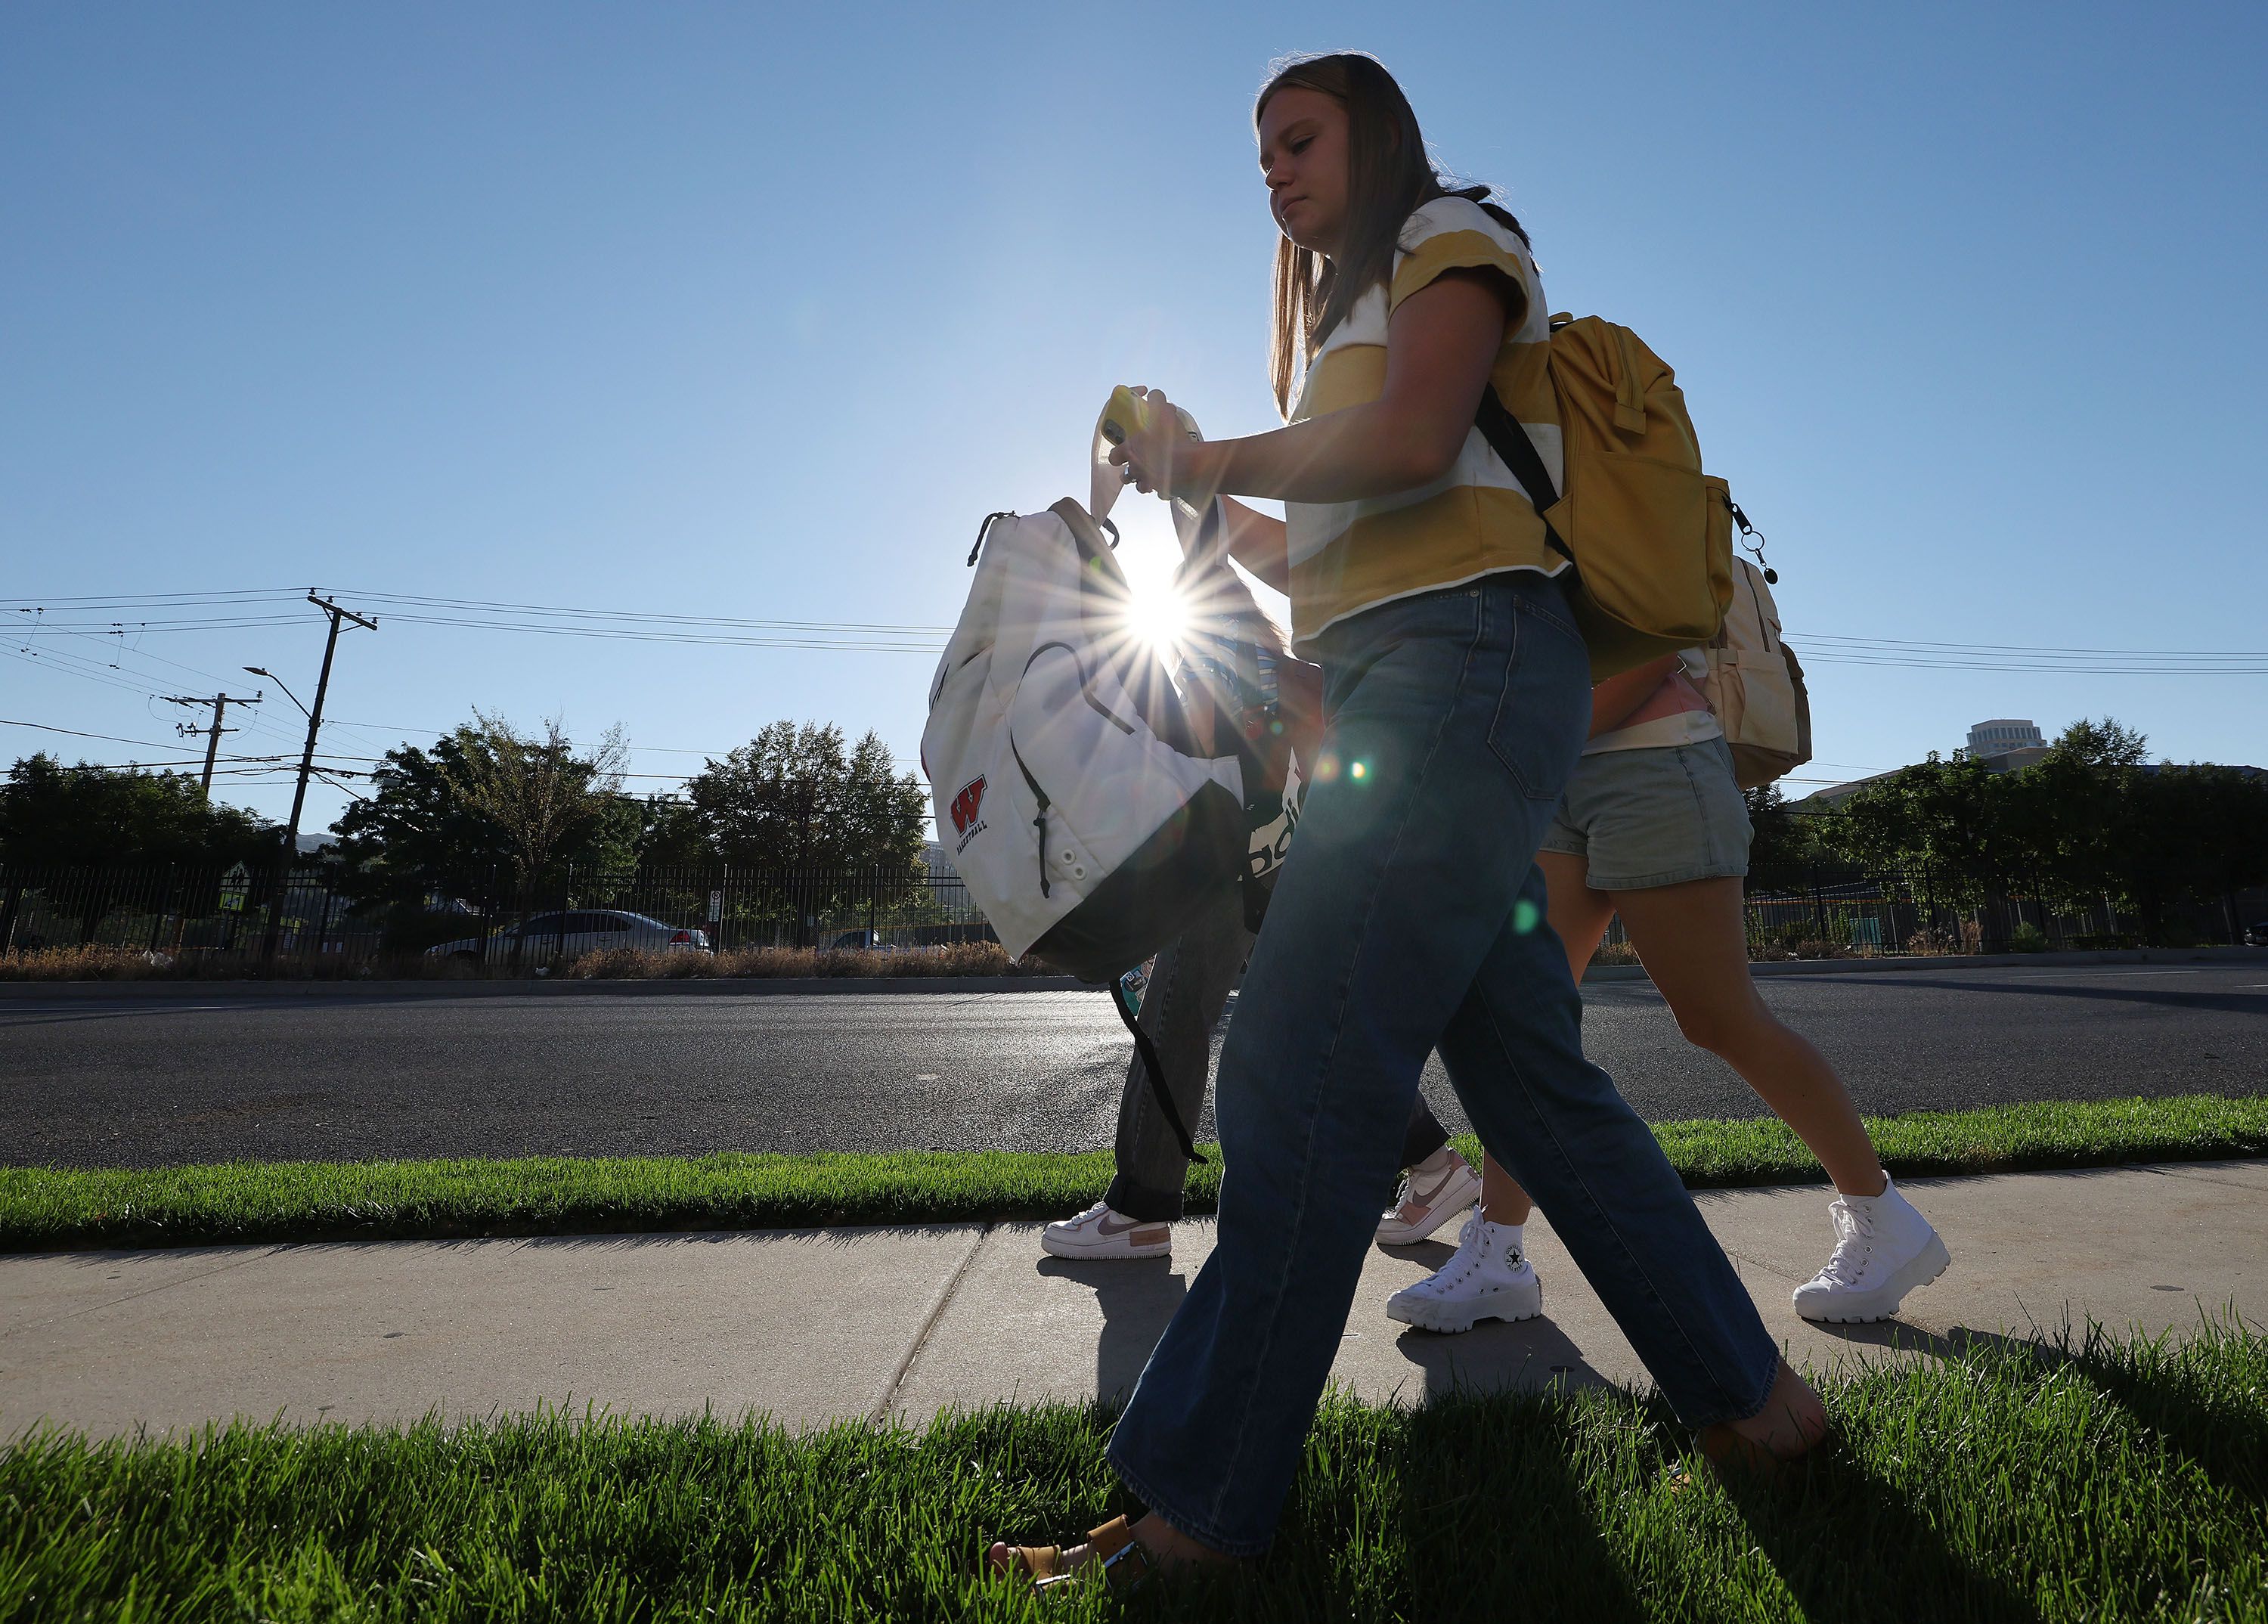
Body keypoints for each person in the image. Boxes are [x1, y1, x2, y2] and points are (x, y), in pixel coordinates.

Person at [989, 54, 1823, 1589]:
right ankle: (1761, 1413)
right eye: (1259, 157)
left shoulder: (1454, 238)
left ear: (1371, 136)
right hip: (1413, 691)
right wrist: (1189, 500)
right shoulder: (1342, 333)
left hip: (1466, 680)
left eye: (1297, 140)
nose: (1276, 174)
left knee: (1303, 1076)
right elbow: (1317, 549)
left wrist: (1209, 455)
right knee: (1533, 1089)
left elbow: (1414, 441)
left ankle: (1196, 1515)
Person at [1383, 652, 1952, 1334]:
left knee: (1718, 1017)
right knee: (1521, 1027)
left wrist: (1527, 739)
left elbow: (1653, 639)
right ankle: (1498, 1256)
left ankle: (1884, 1221)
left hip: (1653, 761)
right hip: (1551, 775)